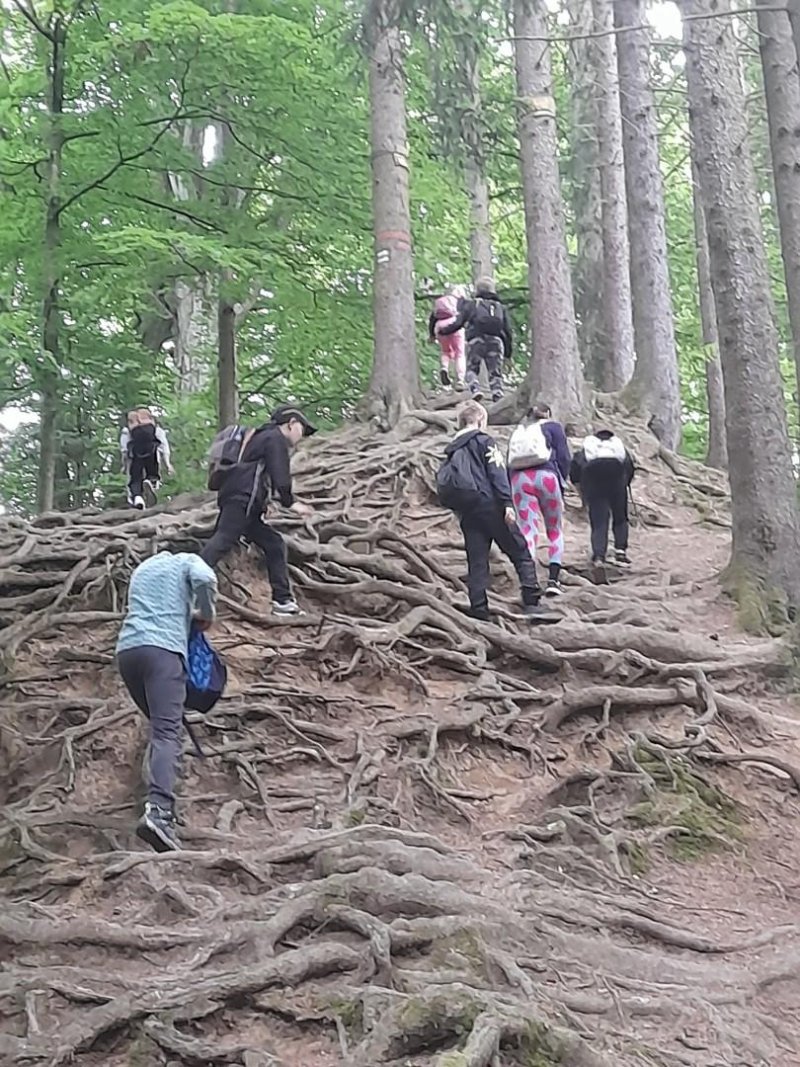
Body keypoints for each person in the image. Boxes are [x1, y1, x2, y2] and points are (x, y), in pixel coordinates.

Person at [116, 550, 218, 852]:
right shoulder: (186, 560)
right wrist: (206, 614)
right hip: (163, 653)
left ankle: (161, 801)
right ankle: (159, 813)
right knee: (166, 733)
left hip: (128, 652)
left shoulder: (143, 569)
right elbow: (205, 578)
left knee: (161, 729)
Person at [200, 404, 316, 615]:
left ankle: (282, 601)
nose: (302, 435)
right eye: (302, 428)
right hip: (242, 499)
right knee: (223, 539)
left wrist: (264, 503)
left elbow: (257, 473)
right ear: (291, 424)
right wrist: (290, 502)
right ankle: (185, 583)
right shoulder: (274, 438)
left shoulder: (260, 437)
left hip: (243, 500)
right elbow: (280, 475)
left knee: (274, 543)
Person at [439, 399, 544, 620]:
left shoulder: (452, 449)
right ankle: (531, 601)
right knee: (519, 550)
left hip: (467, 512)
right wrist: (507, 504)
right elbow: (497, 471)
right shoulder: (484, 441)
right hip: (491, 505)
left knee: (477, 561)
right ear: (479, 419)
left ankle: (479, 609)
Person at [507, 402, 571, 596]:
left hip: (520, 480)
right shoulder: (553, 427)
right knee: (554, 530)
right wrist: (562, 480)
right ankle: (553, 581)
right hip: (547, 478)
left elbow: (509, 461)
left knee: (527, 530)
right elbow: (564, 457)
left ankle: (530, 581)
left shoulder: (520, 431)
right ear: (548, 414)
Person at [569, 426, 635, 577]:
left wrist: (580, 486)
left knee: (599, 521)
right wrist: (625, 483)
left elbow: (575, 468)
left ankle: (599, 555)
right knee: (620, 517)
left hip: (594, 486)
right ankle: (621, 551)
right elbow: (629, 467)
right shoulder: (618, 447)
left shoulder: (588, 447)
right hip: (617, 484)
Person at [437, 276, 513, 403]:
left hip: (476, 340)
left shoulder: (473, 304)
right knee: (495, 372)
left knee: (472, 369)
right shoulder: (500, 307)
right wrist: (508, 354)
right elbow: (507, 331)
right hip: (496, 341)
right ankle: (497, 394)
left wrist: (443, 331)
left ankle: (475, 389)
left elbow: (459, 322)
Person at [120, 407, 173, 510]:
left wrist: (124, 465)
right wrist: (168, 463)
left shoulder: (127, 431)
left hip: (135, 454)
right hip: (152, 452)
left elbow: (124, 450)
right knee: (153, 473)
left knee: (135, 479)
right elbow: (164, 446)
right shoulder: (157, 430)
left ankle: (138, 498)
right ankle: (151, 483)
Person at [428, 287, 467, 391]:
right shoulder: (459, 302)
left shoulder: (441, 302)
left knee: (445, 351)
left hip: (440, 326)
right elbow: (464, 317)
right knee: (459, 353)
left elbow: (432, 319)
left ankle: (444, 368)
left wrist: (432, 335)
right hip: (455, 326)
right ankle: (460, 380)